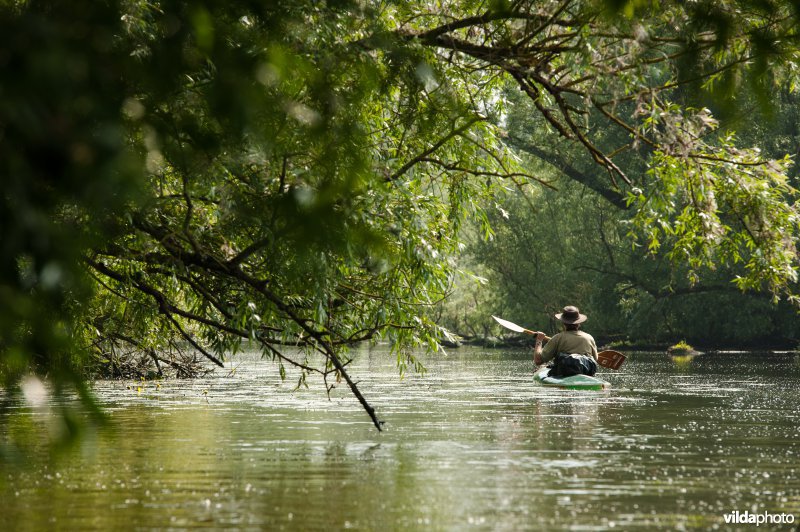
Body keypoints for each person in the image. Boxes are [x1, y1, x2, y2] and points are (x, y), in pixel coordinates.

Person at [533, 305, 598, 377]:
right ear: (579, 322)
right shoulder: (589, 338)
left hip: (564, 374)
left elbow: (538, 361)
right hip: (586, 374)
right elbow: (595, 359)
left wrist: (539, 340)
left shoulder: (557, 338)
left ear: (564, 322)